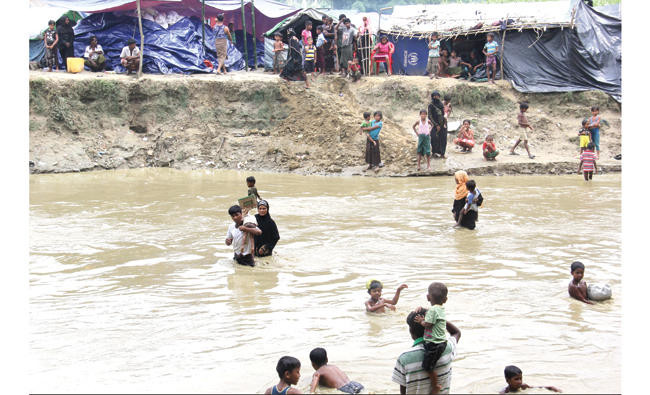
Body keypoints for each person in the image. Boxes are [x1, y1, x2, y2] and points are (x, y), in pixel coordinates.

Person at [392, 309, 461, 395]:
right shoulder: (446, 348)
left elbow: (403, 392)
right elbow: (456, 332)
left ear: (411, 332)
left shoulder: (404, 358)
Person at [414, 282, 448, 394]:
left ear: (428, 297)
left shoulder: (432, 310)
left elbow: (428, 324)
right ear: (445, 299)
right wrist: (424, 309)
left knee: (427, 367)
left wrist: (421, 321)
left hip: (434, 344)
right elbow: (432, 312)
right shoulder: (440, 308)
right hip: (441, 342)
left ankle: (435, 386)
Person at [428, 91, 447, 159]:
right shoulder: (431, 105)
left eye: (437, 96)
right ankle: (434, 152)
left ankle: (442, 153)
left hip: (442, 124)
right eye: (434, 96)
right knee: (434, 138)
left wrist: (443, 124)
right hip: (434, 124)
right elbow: (429, 116)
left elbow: (444, 115)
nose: (436, 97)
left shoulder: (441, 104)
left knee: (443, 139)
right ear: (432, 97)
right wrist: (436, 125)